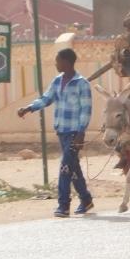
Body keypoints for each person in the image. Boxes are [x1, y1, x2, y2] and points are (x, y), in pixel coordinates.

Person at [17, 48, 95, 217]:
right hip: (62, 130)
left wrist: (81, 132)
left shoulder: (82, 84)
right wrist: (29, 108)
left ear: (66, 62)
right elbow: (46, 98)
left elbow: (86, 110)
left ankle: (63, 205)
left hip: (75, 131)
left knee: (65, 167)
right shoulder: (57, 81)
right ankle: (86, 199)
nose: (56, 63)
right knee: (73, 168)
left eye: (58, 60)